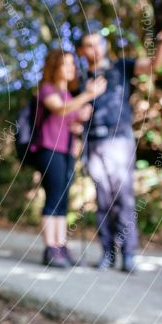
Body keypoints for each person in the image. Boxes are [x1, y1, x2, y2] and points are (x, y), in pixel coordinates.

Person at [76, 22, 162, 273]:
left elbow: (153, 66)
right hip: (92, 143)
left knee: (123, 197)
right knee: (103, 199)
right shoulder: (79, 79)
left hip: (119, 139)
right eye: (88, 46)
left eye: (97, 44)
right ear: (81, 51)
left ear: (104, 45)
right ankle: (107, 253)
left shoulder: (120, 66)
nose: (95, 50)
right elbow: (72, 114)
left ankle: (129, 253)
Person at [35, 50, 106, 268]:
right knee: (54, 197)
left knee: (63, 199)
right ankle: (50, 248)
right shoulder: (47, 89)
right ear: (54, 66)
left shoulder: (68, 94)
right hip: (48, 149)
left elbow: (70, 120)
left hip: (66, 152)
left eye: (72, 64)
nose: (71, 68)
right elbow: (59, 109)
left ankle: (61, 245)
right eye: (65, 64)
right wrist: (87, 95)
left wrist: (80, 118)